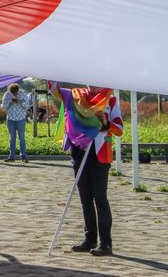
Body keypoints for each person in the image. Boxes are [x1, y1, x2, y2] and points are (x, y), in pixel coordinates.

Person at [49, 81, 123, 257]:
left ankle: (106, 243)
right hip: (78, 151)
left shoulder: (110, 100)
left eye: (97, 82)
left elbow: (119, 129)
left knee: (100, 198)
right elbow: (54, 90)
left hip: (99, 154)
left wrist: (105, 122)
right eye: (90, 81)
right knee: (85, 198)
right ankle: (90, 239)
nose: (92, 86)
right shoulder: (75, 96)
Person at [1, 84, 31, 163]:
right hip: (10, 119)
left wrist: (19, 101)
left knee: (22, 138)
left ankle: (23, 156)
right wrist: (10, 103)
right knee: (12, 138)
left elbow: (27, 106)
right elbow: (3, 107)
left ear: (18, 90)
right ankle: (12, 157)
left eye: (15, 92)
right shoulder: (7, 94)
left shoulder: (22, 94)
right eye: (12, 93)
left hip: (21, 119)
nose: (14, 94)